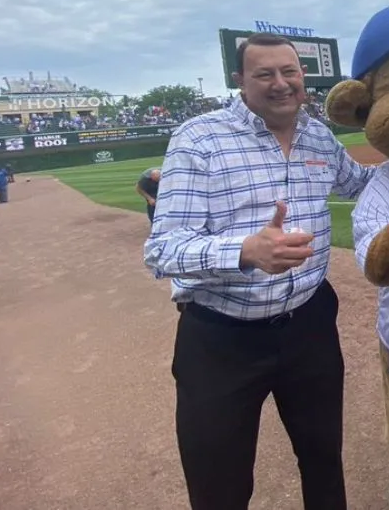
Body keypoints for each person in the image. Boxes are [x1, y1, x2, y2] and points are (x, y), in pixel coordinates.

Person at [143, 32, 375, 510]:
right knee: (219, 487)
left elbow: (362, 184)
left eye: (288, 72)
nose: (280, 84)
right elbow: (162, 249)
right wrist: (245, 250)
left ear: (302, 76)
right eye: (264, 74)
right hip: (221, 339)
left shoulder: (318, 136)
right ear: (240, 81)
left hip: (308, 327)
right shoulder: (200, 138)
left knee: (323, 461)